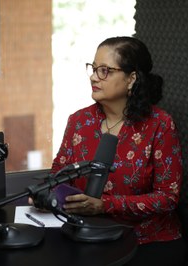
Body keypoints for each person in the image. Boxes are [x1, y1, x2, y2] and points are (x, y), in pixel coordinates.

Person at [49, 37, 186, 265]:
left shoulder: (159, 125)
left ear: (131, 78)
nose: (94, 77)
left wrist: (106, 204)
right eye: (93, 69)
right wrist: (49, 192)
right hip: (88, 235)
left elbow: (168, 198)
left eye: (105, 71)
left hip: (147, 241)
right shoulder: (79, 121)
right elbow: (59, 171)